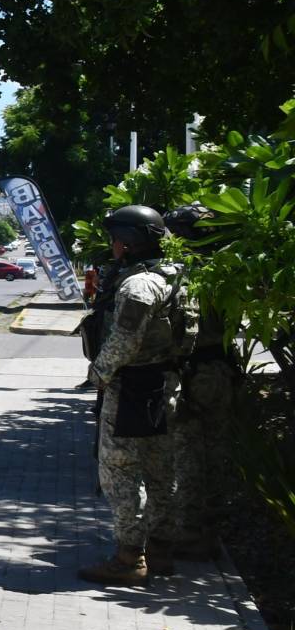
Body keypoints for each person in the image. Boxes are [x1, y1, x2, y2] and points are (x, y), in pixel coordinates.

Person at [79, 205, 193, 585]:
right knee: (162, 470)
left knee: (120, 473)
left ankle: (130, 557)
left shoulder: (138, 285)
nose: (112, 246)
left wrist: (98, 375)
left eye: (115, 239)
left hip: (131, 388)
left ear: (127, 243)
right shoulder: (175, 276)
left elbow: (125, 341)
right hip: (165, 384)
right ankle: (161, 549)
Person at [163, 205, 234, 561]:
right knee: (215, 451)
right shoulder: (226, 269)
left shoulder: (183, 274)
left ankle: (190, 535)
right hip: (221, 369)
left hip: (193, 373)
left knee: (188, 454)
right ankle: (211, 530)